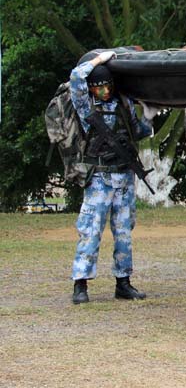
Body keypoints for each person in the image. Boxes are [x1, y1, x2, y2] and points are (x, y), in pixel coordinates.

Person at [69, 50, 154, 304]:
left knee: (124, 232)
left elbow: (137, 132)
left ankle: (123, 282)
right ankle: (80, 284)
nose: (103, 92)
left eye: (106, 86)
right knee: (90, 231)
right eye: (97, 88)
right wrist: (98, 60)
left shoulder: (124, 104)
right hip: (99, 178)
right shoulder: (86, 107)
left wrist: (149, 118)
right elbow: (76, 78)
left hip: (124, 177)